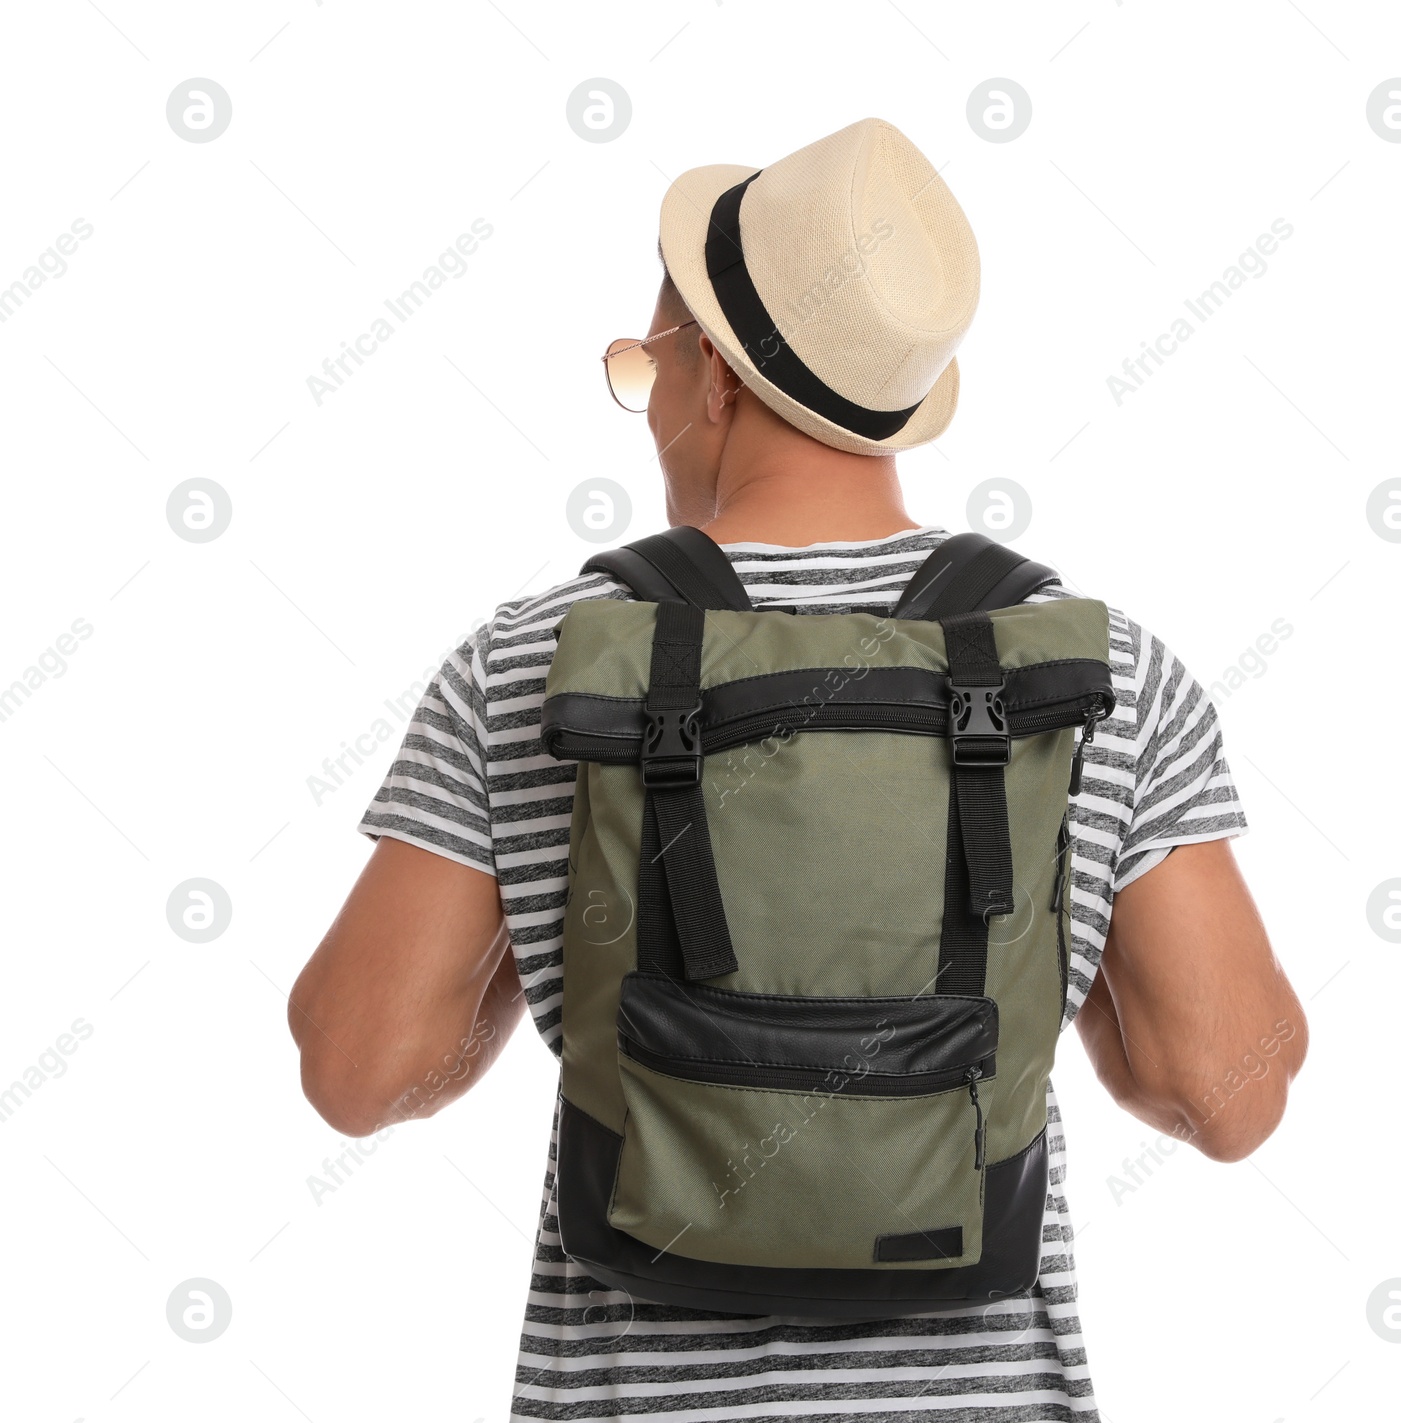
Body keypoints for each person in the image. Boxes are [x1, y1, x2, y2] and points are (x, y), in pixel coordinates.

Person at [289, 116, 1308, 1421]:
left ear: (712, 377)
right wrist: (1049, 956)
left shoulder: (536, 663)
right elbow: (1229, 1097)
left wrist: (542, 963)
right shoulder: (1101, 672)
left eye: (645, 364)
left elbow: (360, 1069)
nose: (648, 400)